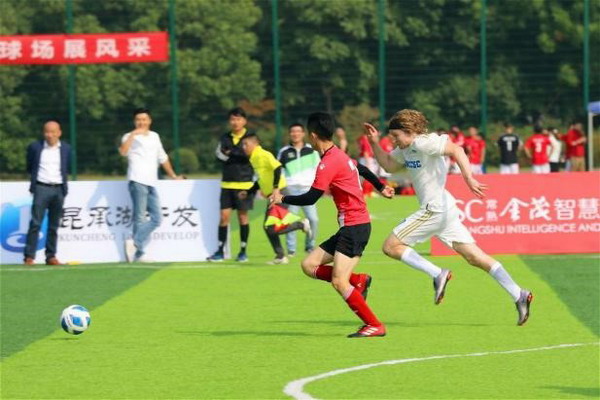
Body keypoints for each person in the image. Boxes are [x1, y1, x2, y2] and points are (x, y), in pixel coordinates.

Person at [365, 109, 533, 326]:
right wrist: (374, 143)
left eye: (396, 136)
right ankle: (519, 294)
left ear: (409, 131)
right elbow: (388, 164)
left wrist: (469, 178)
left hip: (434, 210)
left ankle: (437, 274)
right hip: (444, 209)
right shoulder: (406, 149)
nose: (394, 140)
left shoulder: (423, 142)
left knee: (390, 247)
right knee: (475, 257)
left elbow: (456, 149)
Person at [270, 112, 395, 338]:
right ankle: (359, 280)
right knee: (309, 265)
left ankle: (374, 325)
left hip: (355, 227)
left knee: (339, 281)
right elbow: (362, 169)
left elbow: (311, 198)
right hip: (350, 227)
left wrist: (282, 198)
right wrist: (381, 187)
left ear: (313, 136)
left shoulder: (328, 162)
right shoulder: (339, 154)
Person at [120, 108, 182, 263]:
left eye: (144, 119)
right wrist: (133, 135)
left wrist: (173, 176)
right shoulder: (128, 136)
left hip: (151, 182)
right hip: (137, 180)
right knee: (140, 217)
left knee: (157, 218)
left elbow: (163, 158)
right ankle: (139, 253)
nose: (141, 122)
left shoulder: (155, 136)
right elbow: (123, 152)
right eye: (138, 120)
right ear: (134, 122)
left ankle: (134, 243)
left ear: (149, 121)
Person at [241, 133, 311, 264]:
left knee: (270, 227)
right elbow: (262, 179)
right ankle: (280, 256)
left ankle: (300, 225)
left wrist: (275, 189)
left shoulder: (263, 154)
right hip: (273, 195)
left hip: (280, 193)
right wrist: (248, 191)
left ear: (255, 144)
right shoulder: (253, 158)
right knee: (269, 227)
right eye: (243, 144)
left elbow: (278, 167)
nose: (243, 147)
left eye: (246, 144)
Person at [207, 108, 255, 262]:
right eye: (233, 119)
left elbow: (248, 155)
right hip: (227, 184)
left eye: (238, 119)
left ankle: (243, 251)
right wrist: (237, 152)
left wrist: (231, 152)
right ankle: (220, 251)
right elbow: (219, 155)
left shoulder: (251, 137)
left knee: (242, 217)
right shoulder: (225, 137)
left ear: (244, 121)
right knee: (224, 217)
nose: (235, 122)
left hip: (244, 184)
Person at [23, 119, 71, 265]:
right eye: (47, 132)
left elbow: (67, 167)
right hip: (41, 188)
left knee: (54, 225)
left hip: (59, 189)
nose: (50, 135)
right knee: (36, 223)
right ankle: (29, 256)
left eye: (53, 132)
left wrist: (63, 188)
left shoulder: (66, 148)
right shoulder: (35, 147)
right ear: (43, 133)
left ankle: (51, 256)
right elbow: (30, 166)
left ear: (59, 133)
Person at [277, 123, 320, 257]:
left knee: (313, 219)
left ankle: (310, 246)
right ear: (289, 134)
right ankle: (291, 250)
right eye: (292, 131)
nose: (295, 134)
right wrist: (280, 188)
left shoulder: (311, 150)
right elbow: (278, 171)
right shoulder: (284, 151)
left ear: (303, 134)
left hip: (308, 190)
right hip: (290, 190)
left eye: (298, 131)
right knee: (290, 220)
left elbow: (318, 168)